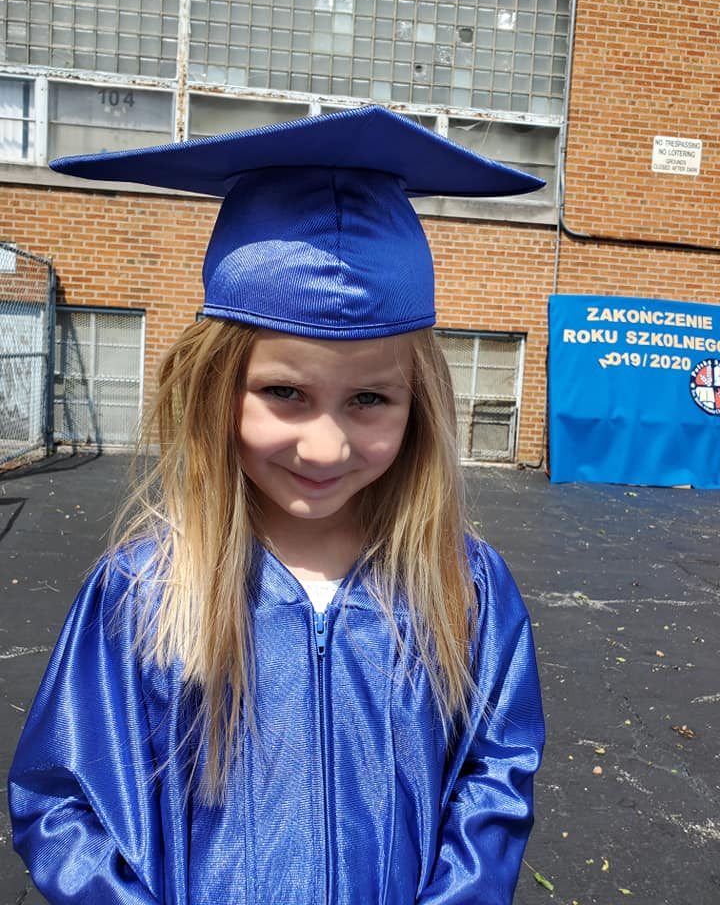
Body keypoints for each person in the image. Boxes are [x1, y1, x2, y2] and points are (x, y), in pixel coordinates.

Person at [8, 105, 545, 905]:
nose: (324, 448)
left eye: (370, 399)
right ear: (216, 389)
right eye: (284, 393)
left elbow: (492, 775)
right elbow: (61, 801)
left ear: (419, 405)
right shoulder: (146, 590)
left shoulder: (461, 586)